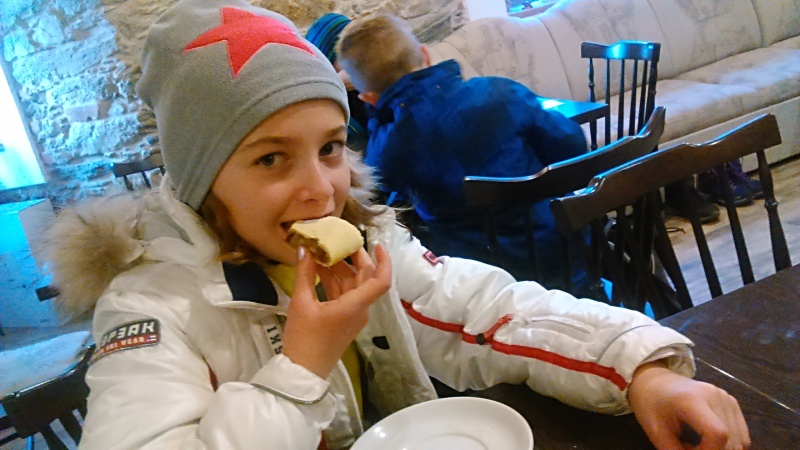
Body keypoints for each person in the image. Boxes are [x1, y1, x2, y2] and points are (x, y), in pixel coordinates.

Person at [43, 1, 749, 448]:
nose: (320, 189)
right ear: (201, 180)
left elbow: (480, 311)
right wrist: (301, 366)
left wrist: (639, 368)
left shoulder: (365, 241)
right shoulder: (148, 309)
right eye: (270, 158)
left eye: (329, 148)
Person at [336, 13, 591, 290]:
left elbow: (380, 194)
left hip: (480, 287)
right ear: (425, 55)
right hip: (569, 260)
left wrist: (378, 118)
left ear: (368, 98)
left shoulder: (388, 150)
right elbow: (573, 145)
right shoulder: (499, 92)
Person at [305, 12, 370, 154]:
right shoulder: (322, 109)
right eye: (348, 51)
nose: (360, 56)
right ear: (327, 60)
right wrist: (336, 84)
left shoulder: (368, 84)